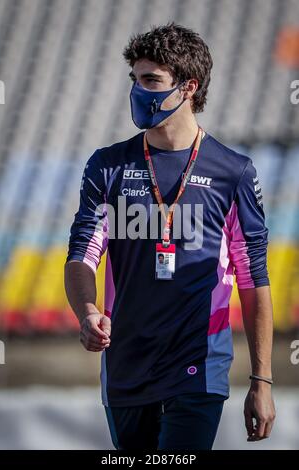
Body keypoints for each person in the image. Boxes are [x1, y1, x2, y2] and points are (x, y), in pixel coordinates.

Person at [64, 21, 276, 450]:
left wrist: (262, 380)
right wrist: (87, 312)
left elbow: (254, 279)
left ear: (188, 87)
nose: (138, 91)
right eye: (135, 79)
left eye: (151, 80)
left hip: (199, 367)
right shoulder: (107, 166)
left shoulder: (233, 172)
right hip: (125, 366)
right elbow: (82, 254)